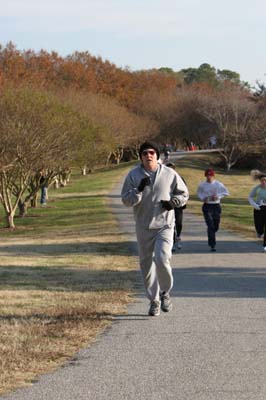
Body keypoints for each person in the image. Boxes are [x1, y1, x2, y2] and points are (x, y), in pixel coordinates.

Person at [121, 141, 189, 316]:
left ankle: (165, 292)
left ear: (157, 155)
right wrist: (138, 190)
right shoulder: (133, 175)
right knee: (146, 265)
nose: (148, 155)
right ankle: (154, 300)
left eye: (152, 152)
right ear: (141, 156)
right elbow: (126, 200)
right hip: (143, 226)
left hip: (165, 225)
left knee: (162, 258)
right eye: (144, 153)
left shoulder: (169, 173)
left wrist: (174, 202)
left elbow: (183, 194)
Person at [197, 168, 229, 252]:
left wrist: (218, 196)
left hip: (216, 206)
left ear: (213, 176)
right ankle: (212, 244)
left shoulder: (218, 184)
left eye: (210, 175)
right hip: (207, 206)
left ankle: (211, 233)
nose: (209, 177)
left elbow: (226, 192)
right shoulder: (202, 185)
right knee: (210, 225)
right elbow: (199, 193)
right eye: (207, 175)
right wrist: (202, 198)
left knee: (215, 226)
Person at [166, 162, 187, 251]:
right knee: (171, 224)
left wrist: (183, 202)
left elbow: (184, 192)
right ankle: (173, 243)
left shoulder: (180, 178)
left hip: (178, 205)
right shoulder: (163, 179)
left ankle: (178, 236)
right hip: (167, 205)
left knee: (178, 223)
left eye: (172, 169)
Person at [248, 170, 266, 252]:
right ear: (260, 181)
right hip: (259, 209)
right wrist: (255, 205)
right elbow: (250, 197)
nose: (264, 182)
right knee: (259, 226)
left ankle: (265, 246)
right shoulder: (257, 188)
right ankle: (259, 232)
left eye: (265, 180)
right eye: (262, 180)